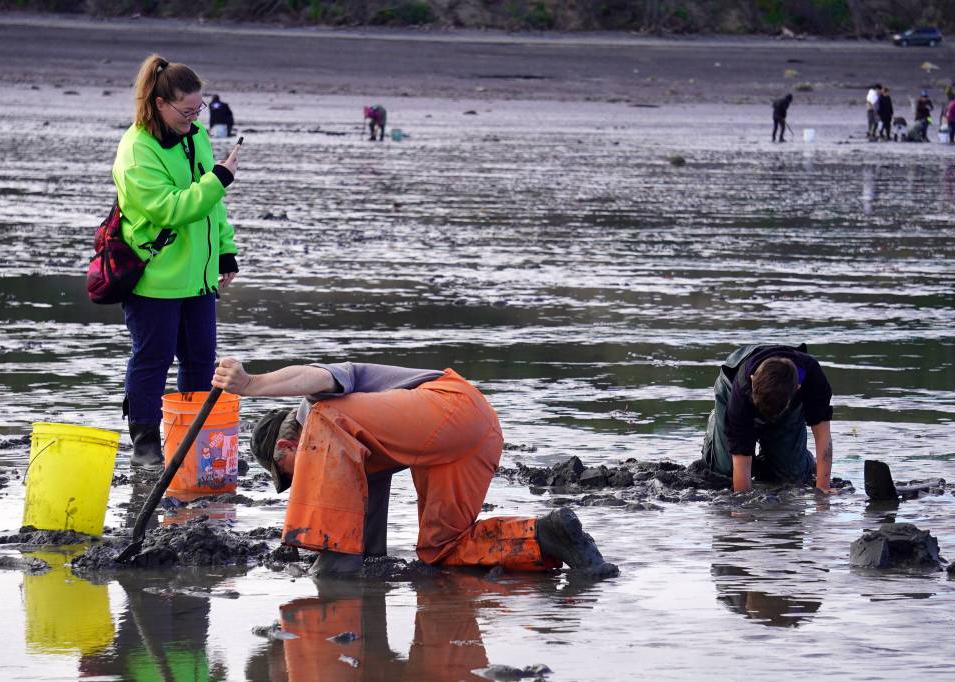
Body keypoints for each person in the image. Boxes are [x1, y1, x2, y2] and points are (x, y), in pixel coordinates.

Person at [211, 358, 619, 578]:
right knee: (441, 550)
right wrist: (368, 557)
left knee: (328, 417)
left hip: (448, 402)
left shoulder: (314, 409)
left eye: (287, 471)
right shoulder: (354, 445)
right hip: (477, 433)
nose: (297, 481)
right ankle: (547, 536)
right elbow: (365, 504)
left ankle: (334, 558)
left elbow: (315, 375)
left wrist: (251, 385)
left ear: (286, 444)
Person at [113, 54, 241, 469]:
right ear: (159, 103)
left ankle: (194, 441)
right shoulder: (137, 150)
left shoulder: (195, 136)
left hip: (199, 278)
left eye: (197, 110)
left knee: (202, 361)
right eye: (186, 111)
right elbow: (169, 209)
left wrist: (225, 250)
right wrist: (218, 178)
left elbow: (212, 207)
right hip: (155, 278)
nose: (193, 119)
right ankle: (145, 443)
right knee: (152, 360)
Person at [700, 344, 834, 494]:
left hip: (785, 402)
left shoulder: (813, 379)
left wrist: (823, 487)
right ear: (752, 379)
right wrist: (744, 503)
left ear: (798, 388)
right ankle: (717, 423)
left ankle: (788, 454)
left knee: (793, 474)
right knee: (725, 471)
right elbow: (741, 457)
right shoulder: (741, 393)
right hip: (731, 387)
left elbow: (823, 435)